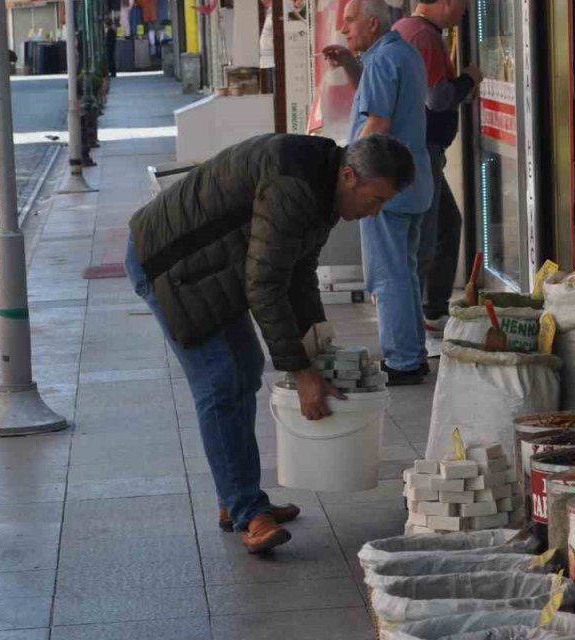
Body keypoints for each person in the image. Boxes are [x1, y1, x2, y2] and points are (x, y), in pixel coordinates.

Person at [125, 134, 415, 554]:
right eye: (376, 199)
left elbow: (299, 269)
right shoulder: (295, 185)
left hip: (213, 265)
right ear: (350, 175)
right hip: (170, 264)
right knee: (221, 382)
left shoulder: (326, 183)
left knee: (245, 367)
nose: (376, 212)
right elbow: (265, 285)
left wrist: (316, 338)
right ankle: (247, 511)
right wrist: (301, 372)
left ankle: (235, 497)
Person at [323, 0, 433, 386]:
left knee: (389, 277)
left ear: (372, 23)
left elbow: (379, 122)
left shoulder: (385, 60)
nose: (344, 28)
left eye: (350, 21)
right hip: (411, 183)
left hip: (384, 187)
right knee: (405, 273)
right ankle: (413, 355)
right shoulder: (402, 52)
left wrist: (346, 169)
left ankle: (402, 361)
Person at [393, 0, 480, 357]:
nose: (464, 10)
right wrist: (469, 79)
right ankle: (425, 321)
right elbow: (438, 98)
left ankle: (430, 313)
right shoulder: (423, 36)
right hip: (423, 151)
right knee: (427, 240)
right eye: (460, 3)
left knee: (445, 227)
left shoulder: (408, 31)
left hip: (422, 151)